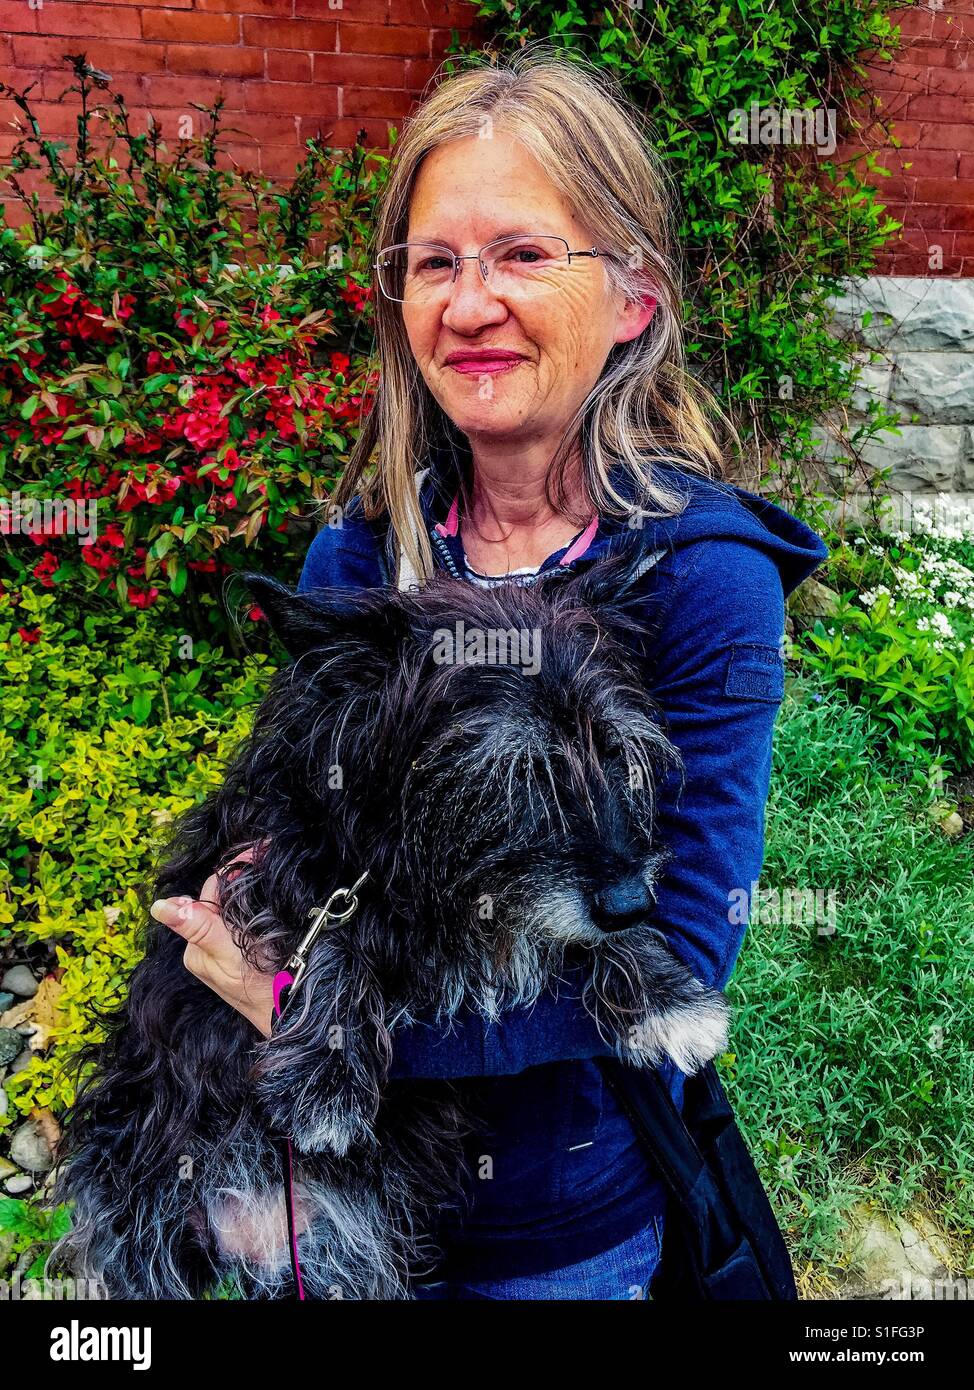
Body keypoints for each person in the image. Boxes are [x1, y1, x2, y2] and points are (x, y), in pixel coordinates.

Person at [149, 46, 828, 1300]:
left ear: (631, 295)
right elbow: (304, 831)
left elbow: (677, 944)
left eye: (523, 254)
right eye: (433, 263)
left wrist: (323, 1023)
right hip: (324, 1199)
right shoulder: (362, 548)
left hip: (551, 1230)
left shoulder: (694, 576)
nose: (467, 305)